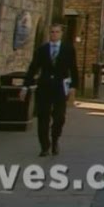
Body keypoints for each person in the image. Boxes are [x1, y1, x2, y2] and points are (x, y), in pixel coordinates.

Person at [22, 23, 79, 156]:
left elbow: (73, 69)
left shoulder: (68, 49)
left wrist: (73, 87)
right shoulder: (42, 50)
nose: (54, 34)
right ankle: (44, 146)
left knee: (59, 117)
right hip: (44, 87)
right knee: (43, 117)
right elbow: (33, 68)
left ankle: (55, 140)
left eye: (57, 32)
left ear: (61, 34)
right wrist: (25, 86)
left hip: (60, 87)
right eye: (52, 32)